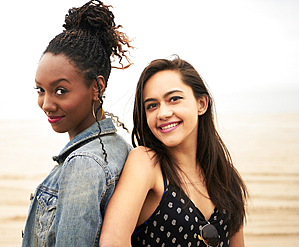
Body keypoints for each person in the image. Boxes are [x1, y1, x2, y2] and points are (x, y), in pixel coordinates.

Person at [100, 56, 248, 247]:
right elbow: (113, 242)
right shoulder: (147, 163)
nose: (162, 113)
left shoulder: (225, 175)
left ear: (201, 104)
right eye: (152, 105)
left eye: (174, 99)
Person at [21, 1, 133, 246]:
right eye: (41, 90)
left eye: (61, 90)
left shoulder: (83, 164)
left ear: (97, 87)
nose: (46, 104)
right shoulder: (122, 147)